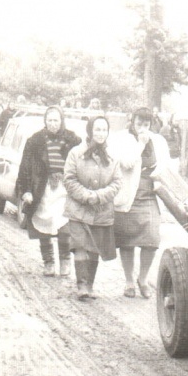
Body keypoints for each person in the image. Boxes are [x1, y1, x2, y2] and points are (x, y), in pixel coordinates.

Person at [110, 107, 171, 298]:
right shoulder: (121, 138)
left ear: (151, 124)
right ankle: (129, 281)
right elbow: (127, 163)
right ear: (132, 122)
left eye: (146, 125)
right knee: (127, 241)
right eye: (138, 124)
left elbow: (166, 165)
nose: (142, 128)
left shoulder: (159, 141)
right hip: (128, 194)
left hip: (150, 195)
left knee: (152, 240)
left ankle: (142, 278)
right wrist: (141, 144)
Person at [16, 106, 82, 277]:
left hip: (64, 188)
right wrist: (26, 190)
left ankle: (65, 260)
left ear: (62, 121)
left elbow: (82, 165)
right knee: (44, 224)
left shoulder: (73, 140)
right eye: (50, 120)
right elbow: (25, 167)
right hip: (42, 188)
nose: (53, 124)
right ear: (45, 121)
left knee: (64, 225)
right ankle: (49, 262)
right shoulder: (35, 141)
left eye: (56, 120)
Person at [63, 116, 122, 300]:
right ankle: (81, 285)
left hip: (101, 211)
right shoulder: (75, 153)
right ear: (90, 131)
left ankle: (90, 285)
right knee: (80, 245)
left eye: (104, 130)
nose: (100, 133)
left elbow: (117, 183)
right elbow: (69, 179)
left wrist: (99, 196)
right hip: (78, 209)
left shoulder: (112, 157)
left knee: (95, 248)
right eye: (97, 129)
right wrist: (86, 196)